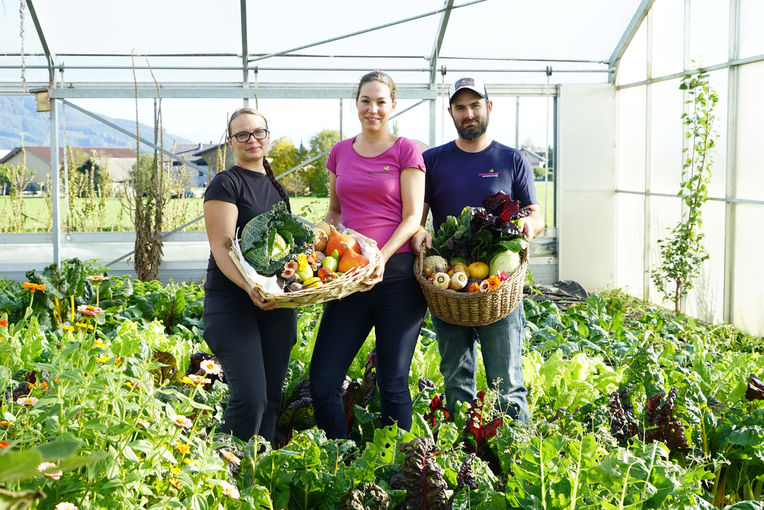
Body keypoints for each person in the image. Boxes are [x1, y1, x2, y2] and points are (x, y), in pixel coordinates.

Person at [411, 76, 545, 424]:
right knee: (457, 382)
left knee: (509, 384)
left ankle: (516, 458)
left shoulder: (511, 159)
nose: (468, 113)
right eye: (460, 107)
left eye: (474, 105)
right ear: (451, 112)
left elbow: (534, 212)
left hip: (498, 285)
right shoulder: (433, 160)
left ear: (488, 106)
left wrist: (530, 225)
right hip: (450, 284)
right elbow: (417, 217)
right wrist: (419, 234)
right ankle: (465, 457)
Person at [309, 71, 427, 439]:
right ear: (356, 103)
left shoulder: (405, 150)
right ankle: (340, 460)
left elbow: (412, 216)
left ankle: (394, 468)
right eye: (365, 100)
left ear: (393, 105)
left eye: (380, 101)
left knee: (393, 382)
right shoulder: (340, 152)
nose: (372, 109)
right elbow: (335, 213)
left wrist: (381, 258)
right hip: (349, 281)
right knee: (323, 381)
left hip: (397, 281)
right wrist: (318, 241)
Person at [202, 107, 297, 443]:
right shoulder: (226, 183)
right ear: (231, 142)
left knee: (272, 399)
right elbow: (223, 246)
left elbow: (285, 248)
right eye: (242, 135)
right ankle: (221, 470)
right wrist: (249, 286)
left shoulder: (277, 189)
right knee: (250, 398)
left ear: (267, 136)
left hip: (274, 304)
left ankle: (258, 471)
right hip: (232, 303)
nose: (252, 140)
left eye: (258, 132)